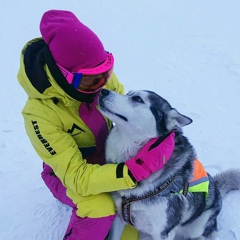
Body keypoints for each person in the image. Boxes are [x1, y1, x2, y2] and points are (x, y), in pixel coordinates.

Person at [17, 10, 175, 240]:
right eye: (92, 80)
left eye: (106, 73)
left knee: (135, 210)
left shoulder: (97, 76)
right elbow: (77, 177)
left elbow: (125, 114)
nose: (102, 86)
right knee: (101, 208)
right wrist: (132, 171)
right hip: (67, 174)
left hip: (106, 157)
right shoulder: (39, 115)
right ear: (63, 76)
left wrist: (158, 136)